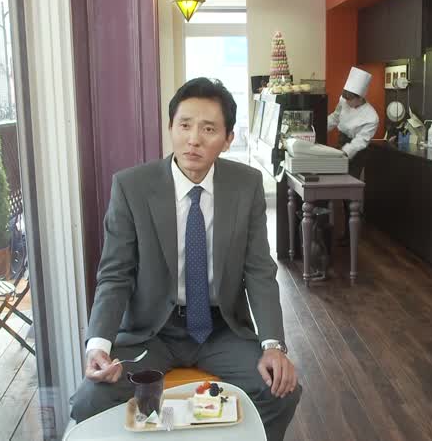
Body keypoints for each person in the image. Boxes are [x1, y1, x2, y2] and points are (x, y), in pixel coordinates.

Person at [70, 77, 301, 441]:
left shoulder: (246, 185)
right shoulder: (132, 187)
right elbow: (115, 275)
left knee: (281, 390)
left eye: (209, 129)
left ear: (228, 138)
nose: (194, 139)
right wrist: (99, 345)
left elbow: (260, 271)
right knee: (89, 403)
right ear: (170, 128)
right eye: (185, 125)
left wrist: (274, 346)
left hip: (219, 328)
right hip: (153, 331)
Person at [327, 66, 379, 179]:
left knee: (350, 180)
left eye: (350, 99)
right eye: (345, 98)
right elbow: (335, 117)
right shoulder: (344, 101)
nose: (346, 102)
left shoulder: (371, 117)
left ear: (360, 98)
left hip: (357, 151)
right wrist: (319, 127)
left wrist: (344, 152)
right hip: (341, 141)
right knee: (334, 178)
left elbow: (361, 140)